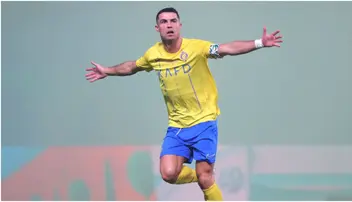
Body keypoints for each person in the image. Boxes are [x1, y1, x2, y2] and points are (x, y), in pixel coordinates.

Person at [85, 7, 283, 201]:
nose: (169, 25)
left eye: (173, 21)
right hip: (177, 126)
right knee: (169, 173)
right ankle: (202, 176)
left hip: (204, 122)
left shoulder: (196, 48)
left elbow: (227, 48)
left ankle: (205, 177)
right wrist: (108, 71)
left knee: (206, 179)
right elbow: (132, 66)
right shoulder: (153, 54)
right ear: (157, 28)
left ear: (180, 25)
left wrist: (259, 42)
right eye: (164, 22)